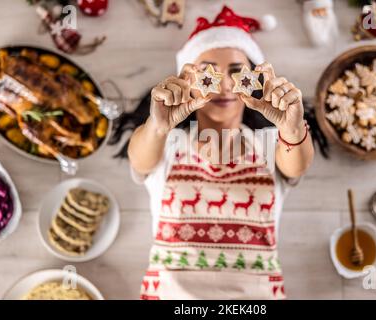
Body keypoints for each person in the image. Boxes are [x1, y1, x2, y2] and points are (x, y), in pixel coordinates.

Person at [115, 6, 314, 299]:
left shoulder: (271, 142)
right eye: (209, 72)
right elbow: (139, 160)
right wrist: (157, 126)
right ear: (188, 80)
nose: (224, 84)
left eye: (237, 72)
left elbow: (296, 167)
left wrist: (292, 127)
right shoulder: (168, 142)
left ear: (256, 81)